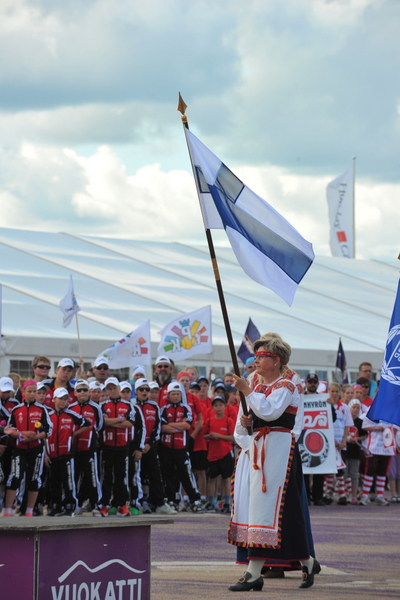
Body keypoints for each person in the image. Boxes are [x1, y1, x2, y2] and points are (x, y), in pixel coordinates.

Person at [228, 336, 319, 592]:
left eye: (261, 356)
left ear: (276, 360)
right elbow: (250, 419)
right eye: (255, 356)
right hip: (260, 449)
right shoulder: (256, 386)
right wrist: (247, 427)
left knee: (268, 506)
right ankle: (307, 561)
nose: (256, 360)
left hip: (279, 451)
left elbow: (271, 412)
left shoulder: (286, 385)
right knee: (280, 511)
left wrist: (247, 392)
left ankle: (254, 573)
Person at [3, 381, 52, 517]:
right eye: (29, 391)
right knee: (14, 478)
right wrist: (21, 434)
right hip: (19, 448)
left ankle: (29, 511)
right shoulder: (16, 409)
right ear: (23, 392)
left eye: (34, 391)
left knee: (34, 479)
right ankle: (8, 511)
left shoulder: (42, 409)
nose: (32, 394)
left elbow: (48, 430)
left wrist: (35, 437)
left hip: (36, 449)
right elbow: (9, 430)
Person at [158, 381, 203, 512]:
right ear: (168, 395)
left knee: (186, 474)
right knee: (169, 475)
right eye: (173, 394)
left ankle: (195, 499)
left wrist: (172, 426)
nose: (175, 396)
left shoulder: (186, 408)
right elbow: (163, 428)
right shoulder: (163, 409)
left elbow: (187, 425)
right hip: (166, 448)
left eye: (178, 394)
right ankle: (172, 500)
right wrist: (179, 427)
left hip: (181, 448)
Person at [45, 388, 90, 516]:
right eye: (60, 399)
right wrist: (45, 454)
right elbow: (43, 435)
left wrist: (73, 434)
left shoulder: (71, 414)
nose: (63, 401)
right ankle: (56, 506)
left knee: (68, 481)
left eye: (65, 399)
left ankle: (70, 505)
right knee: (54, 482)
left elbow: (87, 424)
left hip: (67, 454)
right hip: (52, 454)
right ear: (54, 399)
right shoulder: (48, 416)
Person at [134, 378, 176, 515]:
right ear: (136, 391)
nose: (144, 392)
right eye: (141, 389)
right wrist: (139, 446)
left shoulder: (154, 406)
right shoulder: (132, 406)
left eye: (147, 389)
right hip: (136, 448)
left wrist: (149, 444)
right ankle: (138, 502)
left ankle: (159, 503)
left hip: (150, 447)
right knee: (137, 475)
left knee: (156, 475)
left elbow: (157, 428)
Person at [98, 377, 135, 517]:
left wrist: (110, 422)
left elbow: (130, 423)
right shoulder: (102, 406)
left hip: (122, 446)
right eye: (109, 389)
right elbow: (102, 423)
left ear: (119, 389)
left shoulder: (128, 405)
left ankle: (122, 505)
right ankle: (105, 505)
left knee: (121, 477)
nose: (112, 391)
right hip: (106, 446)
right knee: (106, 477)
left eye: (114, 388)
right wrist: (120, 419)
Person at [69, 379, 103, 516]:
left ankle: (96, 505)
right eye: (79, 390)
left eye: (85, 390)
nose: (82, 392)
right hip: (73, 450)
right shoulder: (71, 408)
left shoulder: (96, 407)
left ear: (89, 392)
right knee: (74, 477)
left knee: (92, 477)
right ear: (75, 393)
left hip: (89, 449)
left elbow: (99, 426)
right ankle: (75, 505)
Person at [203, 394, 235, 512]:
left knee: (226, 479)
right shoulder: (209, 420)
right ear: (212, 407)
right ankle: (211, 502)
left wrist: (219, 436)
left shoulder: (228, 421)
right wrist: (210, 436)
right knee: (212, 479)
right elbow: (204, 435)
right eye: (216, 405)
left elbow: (232, 437)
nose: (218, 407)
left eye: (220, 405)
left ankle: (227, 503)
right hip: (213, 454)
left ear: (225, 406)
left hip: (225, 452)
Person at [345, 399, 368, 504]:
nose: (355, 409)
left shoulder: (360, 422)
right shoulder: (345, 420)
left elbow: (365, 435)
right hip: (345, 451)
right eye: (353, 407)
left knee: (354, 474)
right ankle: (345, 494)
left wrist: (357, 439)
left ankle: (354, 496)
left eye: (358, 408)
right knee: (344, 474)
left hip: (356, 452)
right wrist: (347, 439)